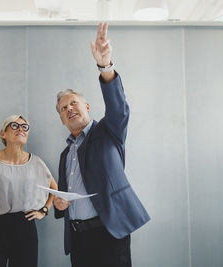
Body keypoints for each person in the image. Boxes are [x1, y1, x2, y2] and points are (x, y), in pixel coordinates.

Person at [53, 22, 150, 267]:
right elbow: (64, 199)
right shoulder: (66, 153)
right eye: (63, 109)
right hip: (78, 238)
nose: (69, 109)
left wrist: (105, 66)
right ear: (62, 119)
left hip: (109, 233)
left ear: (87, 107)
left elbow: (118, 106)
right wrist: (60, 204)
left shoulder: (108, 131)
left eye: (73, 103)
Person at [0, 114, 58, 267]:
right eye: (15, 125)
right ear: (3, 133)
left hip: (25, 226)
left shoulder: (36, 162)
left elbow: (54, 188)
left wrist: (44, 210)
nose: (20, 129)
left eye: (24, 127)